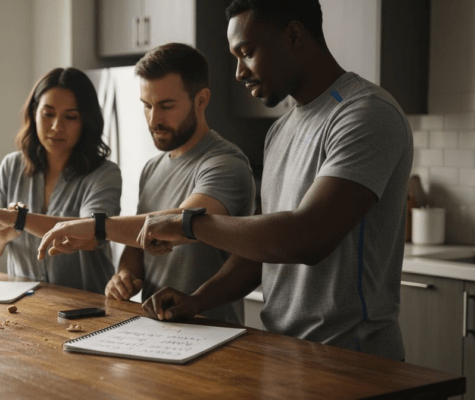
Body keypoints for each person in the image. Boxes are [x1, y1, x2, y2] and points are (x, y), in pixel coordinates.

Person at [131, 0, 413, 362]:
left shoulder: (364, 114)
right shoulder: (280, 130)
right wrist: (198, 300)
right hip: (283, 354)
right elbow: (261, 251)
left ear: (294, 35)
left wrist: (189, 224)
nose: (238, 72)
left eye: (247, 53)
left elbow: (307, 237)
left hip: (352, 359)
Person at [37, 43, 256, 325]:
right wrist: (126, 275)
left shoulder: (225, 163)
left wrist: (97, 226)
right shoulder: (152, 168)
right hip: (154, 327)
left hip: (212, 331)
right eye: (147, 106)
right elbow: (137, 247)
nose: (154, 119)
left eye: (166, 106)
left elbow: (178, 225)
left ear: (201, 100)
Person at [0, 67, 121, 294]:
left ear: (86, 121)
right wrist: (1, 237)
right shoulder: (12, 166)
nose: (57, 127)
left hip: (87, 308)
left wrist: (18, 219)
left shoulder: (105, 173)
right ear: (34, 113)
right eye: (48, 114)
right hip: (26, 305)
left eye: (70, 117)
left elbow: (91, 235)